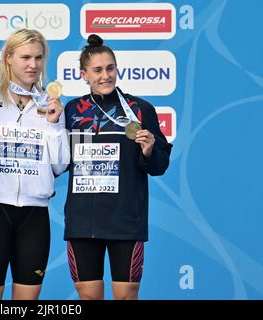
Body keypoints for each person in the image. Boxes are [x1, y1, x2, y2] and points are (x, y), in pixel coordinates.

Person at [63, 34, 172, 300]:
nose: (105, 76)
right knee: (88, 297)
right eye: (97, 70)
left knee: (126, 297)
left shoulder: (140, 109)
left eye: (110, 68)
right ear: (83, 74)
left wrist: (148, 152)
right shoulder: (71, 110)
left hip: (125, 219)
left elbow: (160, 164)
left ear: (117, 69)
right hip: (82, 221)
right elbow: (59, 161)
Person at [0, 28, 70, 300]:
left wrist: (54, 125)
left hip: (35, 213)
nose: (33, 65)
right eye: (25, 57)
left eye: (39, 58)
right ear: (8, 58)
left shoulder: (49, 104)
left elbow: (60, 164)